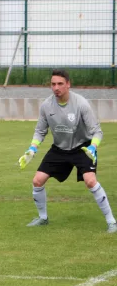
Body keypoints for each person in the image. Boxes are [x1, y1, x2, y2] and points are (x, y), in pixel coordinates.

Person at [18, 69, 117, 233]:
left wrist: (93, 147)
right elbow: (40, 131)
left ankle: (111, 221)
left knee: (90, 181)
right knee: (37, 180)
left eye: (60, 84)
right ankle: (42, 218)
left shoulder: (81, 104)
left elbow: (97, 131)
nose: (56, 87)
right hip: (59, 149)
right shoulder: (46, 106)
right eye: (53, 84)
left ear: (68, 85)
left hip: (83, 148)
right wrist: (32, 149)